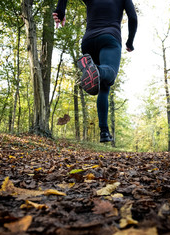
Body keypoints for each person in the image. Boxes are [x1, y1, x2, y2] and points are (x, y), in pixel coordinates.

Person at [53, 0, 138, 143]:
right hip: (109, 38)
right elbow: (133, 18)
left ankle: (104, 132)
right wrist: (130, 42)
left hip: (88, 41)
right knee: (109, 74)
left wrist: (60, 11)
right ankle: (96, 69)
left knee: (103, 85)